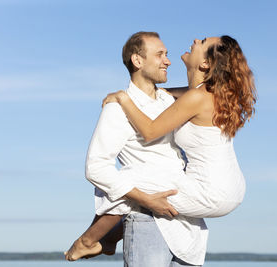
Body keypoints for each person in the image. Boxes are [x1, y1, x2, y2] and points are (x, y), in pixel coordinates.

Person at [65, 31, 210, 266]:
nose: (168, 61)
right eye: (160, 55)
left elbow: (209, 92)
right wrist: (146, 199)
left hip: (188, 225)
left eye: (167, 55)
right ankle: (91, 240)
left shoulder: (172, 101)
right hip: (147, 221)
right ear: (137, 60)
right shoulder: (116, 109)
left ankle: (100, 240)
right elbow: (96, 168)